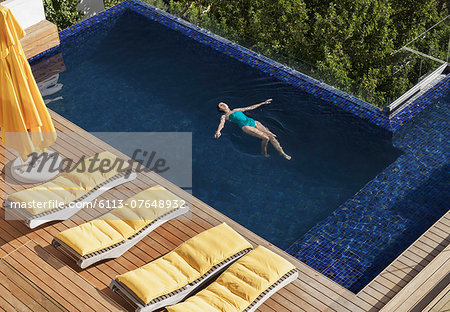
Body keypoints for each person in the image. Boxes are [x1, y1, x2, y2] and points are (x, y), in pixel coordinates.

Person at [215, 99, 291, 160]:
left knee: (272, 136)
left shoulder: (236, 109)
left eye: (222, 103)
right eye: (220, 105)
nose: (222, 104)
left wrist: (263, 103)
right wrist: (218, 131)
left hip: (252, 121)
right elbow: (221, 124)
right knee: (266, 138)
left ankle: (282, 152)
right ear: (220, 109)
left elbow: (250, 107)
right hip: (245, 126)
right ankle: (263, 152)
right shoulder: (224, 116)